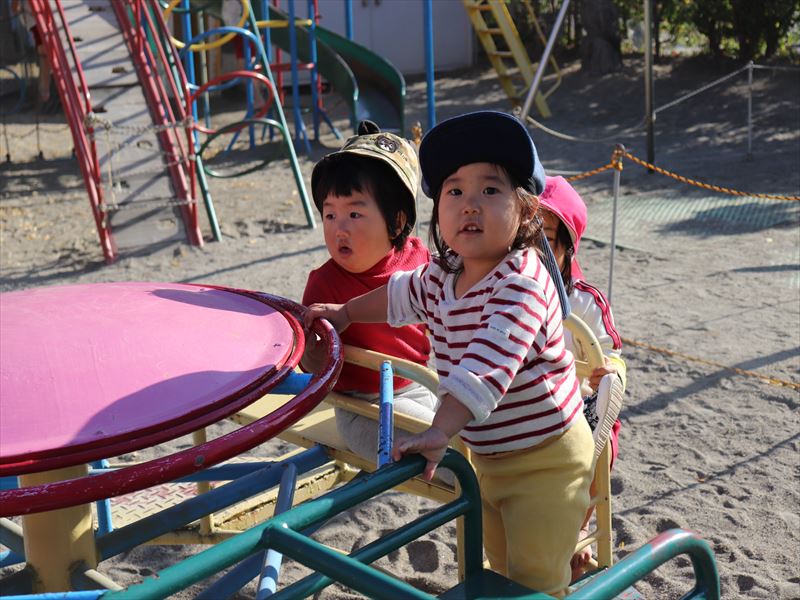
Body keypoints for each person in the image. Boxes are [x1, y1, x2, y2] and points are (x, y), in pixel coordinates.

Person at [304, 111, 594, 595]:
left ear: (526, 210)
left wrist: (440, 429)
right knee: (500, 565)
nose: (470, 205)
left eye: (490, 190)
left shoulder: (522, 283)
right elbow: (399, 295)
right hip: (489, 454)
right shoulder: (444, 273)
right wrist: (348, 313)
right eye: (454, 191)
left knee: (536, 580)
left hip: (546, 460)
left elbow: (484, 367)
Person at [301, 120, 440, 467]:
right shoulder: (324, 285)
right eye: (330, 214)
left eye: (354, 213)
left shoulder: (417, 258)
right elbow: (311, 364)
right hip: (362, 408)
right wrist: (313, 352)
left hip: (421, 385)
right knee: (443, 454)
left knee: (477, 429)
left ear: (397, 222)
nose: (339, 228)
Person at [538, 175, 625, 578]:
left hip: (576, 409)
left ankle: (579, 524)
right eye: (525, 240)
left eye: (547, 242)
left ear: (569, 248)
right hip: (528, 405)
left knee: (602, 437)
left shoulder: (583, 300)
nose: (535, 253)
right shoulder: (503, 288)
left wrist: (609, 372)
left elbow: (612, 354)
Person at [11, 0, 53, 112]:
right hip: (34, 19)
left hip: (42, 17)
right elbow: (14, 8)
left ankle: (45, 88)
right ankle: (44, 88)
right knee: (43, 51)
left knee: (44, 51)